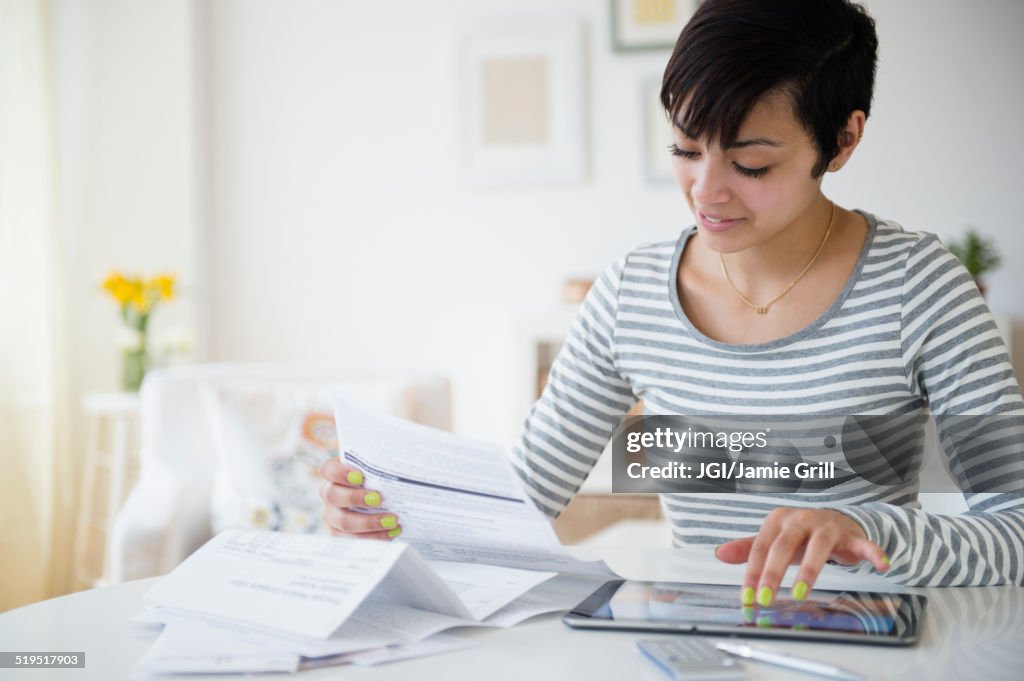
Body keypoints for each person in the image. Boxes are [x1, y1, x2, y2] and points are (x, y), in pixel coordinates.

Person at [320, 0, 1024, 607]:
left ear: (843, 139)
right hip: (693, 646)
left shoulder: (919, 286)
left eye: (751, 164)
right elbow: (522, 499)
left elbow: (1015, 527)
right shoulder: (632, 293)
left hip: (867, 644)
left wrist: (865, 529)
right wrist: (391, 514)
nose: (706, 192)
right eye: (686, 148)